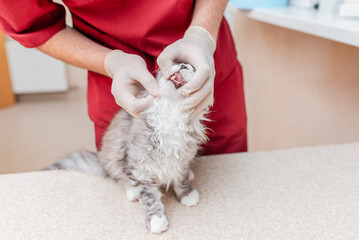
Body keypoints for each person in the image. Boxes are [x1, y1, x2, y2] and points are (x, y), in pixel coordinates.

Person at [0, 0, 247, 155]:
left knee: (227, 190)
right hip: (120, 94)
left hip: (205, 70)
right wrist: (111, 62)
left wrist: (201, 34)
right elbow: (33, 25)